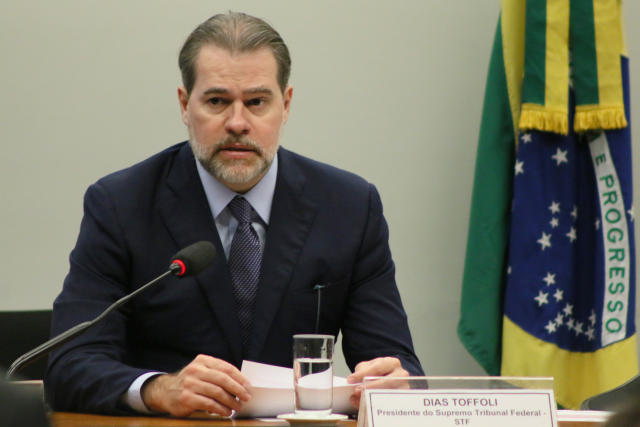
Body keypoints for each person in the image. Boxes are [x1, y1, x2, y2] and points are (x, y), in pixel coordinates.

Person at [44, 11, 423, 416]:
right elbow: (70, 365)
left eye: (257, 102)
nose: (238, 122)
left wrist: (390, 384)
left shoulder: (349, 206)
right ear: (185, 105)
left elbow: (398, 366)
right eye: (217, 101)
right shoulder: (121, 204)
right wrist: (157, 389)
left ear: (286, 104)